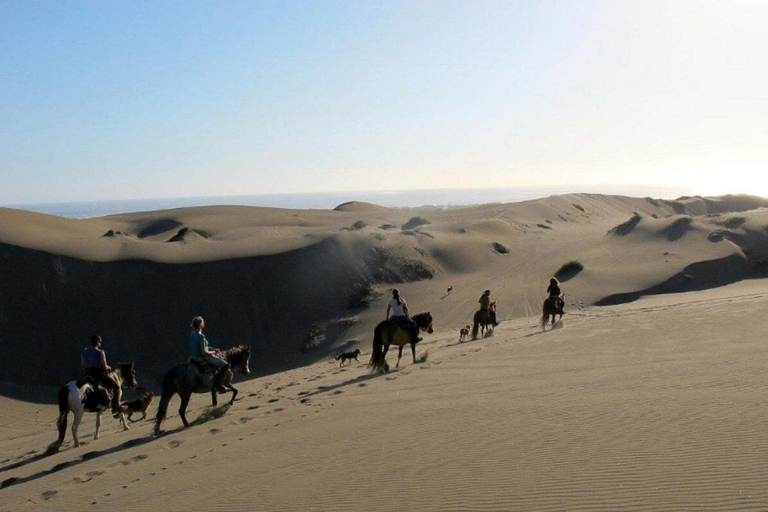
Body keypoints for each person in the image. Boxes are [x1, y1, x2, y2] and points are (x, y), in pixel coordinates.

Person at [81, 334, 122, 415]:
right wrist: (109, 368)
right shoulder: (100, 352)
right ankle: (115, 407)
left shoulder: (84, 351)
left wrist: (86, 372)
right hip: (98, 375)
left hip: (88, 374)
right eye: (100, 342)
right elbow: (104, 366)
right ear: (97, 342)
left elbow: (82, 365)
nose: (100, 343)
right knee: (116, 387)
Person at [189, 316, 230, 393]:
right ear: (200, 325)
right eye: (203, 322)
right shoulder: (201, 336)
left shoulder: (193, 334)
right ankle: (220, 385)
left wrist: (213, 348)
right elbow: (204, 352)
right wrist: (214, 352)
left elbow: (203, 346)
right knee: (226, 365)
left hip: (194, 356)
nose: (204, 323)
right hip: (204, 357)